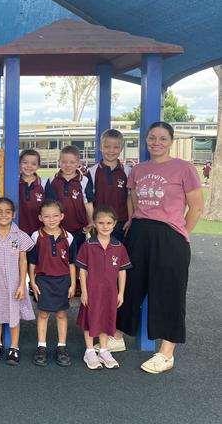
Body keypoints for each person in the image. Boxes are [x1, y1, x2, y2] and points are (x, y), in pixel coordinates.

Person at [112, 121, 203, 374]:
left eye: (162, 138)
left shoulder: (184, 168)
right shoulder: (139, 169)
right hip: (140, 231)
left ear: (171, 141)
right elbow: (131, 196)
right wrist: (131, 219)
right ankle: (117, 336)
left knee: (168, 292)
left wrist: (182, 231)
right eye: (152, 138)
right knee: (129, 284)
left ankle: (166, 352)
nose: (156, 143)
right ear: (146, 140)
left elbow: (196, 207)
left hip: (170, 235)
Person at [75, 206, 131, 370]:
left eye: (108, 223)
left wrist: (121, 292)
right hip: (92, 291)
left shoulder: (119, 246)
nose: (105, 226)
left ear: (114, 224)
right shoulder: (88, 245)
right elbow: (82, 271)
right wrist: (84, 292)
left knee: (107, 319)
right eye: (101, 223)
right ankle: (90, 351)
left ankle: (104, 350)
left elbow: (122, 271)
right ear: (94, 224)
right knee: (89, 320)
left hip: (110, 293)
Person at [0, 197, 35, 365]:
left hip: (15, 282)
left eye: (8, 212)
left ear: (13, 215)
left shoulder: (20, 235)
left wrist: (23, 283)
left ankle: (14, 347)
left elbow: (23, 261)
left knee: (14, 314)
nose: (3, 215)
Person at [28, 199, 77, 367]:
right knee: (43, 314)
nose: (51, 219)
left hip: (63, 280)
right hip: (43, 280)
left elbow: (71, 263)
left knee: (62, 314)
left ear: (62, 216)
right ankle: (41, 346)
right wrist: (32, 282)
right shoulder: (36, 236)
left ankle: (61, 347)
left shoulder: (68, 237)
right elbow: (32, 262)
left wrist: (72, 284)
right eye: (47, 216)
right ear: (40, 217)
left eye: (55, 216)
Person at [45, 145, 94, 254]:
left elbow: (88, 203)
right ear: (59, 162)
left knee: (77, 257)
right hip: (57, 227)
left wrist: (91, 221)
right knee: (60, 256)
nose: (68, 165)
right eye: (64, 162)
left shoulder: (84, 181)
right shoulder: (52, 180)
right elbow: (49, 205)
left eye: (72, 162)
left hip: (79, 228)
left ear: (78, 163)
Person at [86, 129, 132, 242]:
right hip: (100, 223)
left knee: (119, 256)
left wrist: (130, 219)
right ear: (100, 147)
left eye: (116, 147)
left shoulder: (128, 171)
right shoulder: (92, 172)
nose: (111, 150)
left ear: (121, 149)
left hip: (121, 223)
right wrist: (92, 221)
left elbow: (130, 197)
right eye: (107, 147)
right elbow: (88, 201)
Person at [18, 149, 48, 235]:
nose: (29, 166)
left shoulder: (44, 183)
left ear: (38, 166)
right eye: (25, 162)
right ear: (19, 164)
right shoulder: (13, 182)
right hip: (19, 230)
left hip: (39, 231)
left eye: (33, 164)